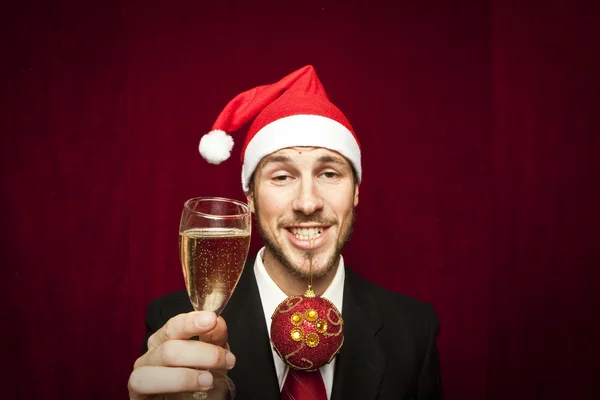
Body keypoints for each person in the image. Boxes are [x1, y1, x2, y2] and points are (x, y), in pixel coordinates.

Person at [128, 65, 443, 400]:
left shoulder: (413, 330)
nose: (308, 203)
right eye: (281, 177)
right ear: (250, 197)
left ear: (356, 192)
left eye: (330, 174)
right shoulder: (175, 324)